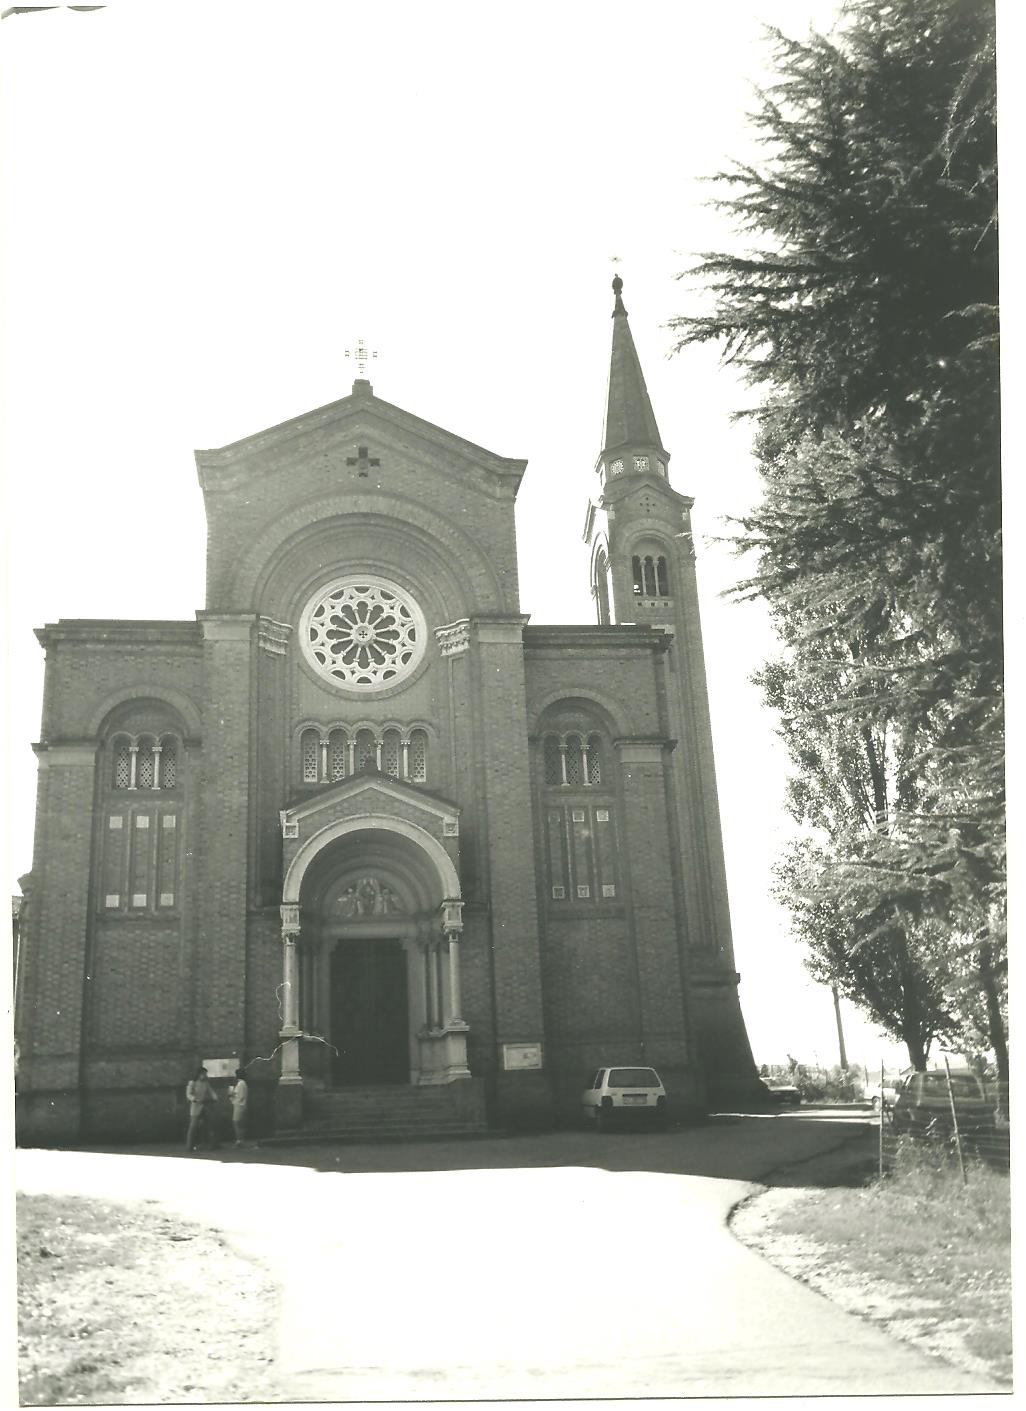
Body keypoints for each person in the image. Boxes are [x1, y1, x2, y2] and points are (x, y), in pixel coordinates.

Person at [185, 1064, 218, 1151]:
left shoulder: (206, 1083)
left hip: (204, 1105)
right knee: (193, 1126)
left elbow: (211, 1091)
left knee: (209, 1125)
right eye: (203, 1073)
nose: (205, 1075)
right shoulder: (192, 1083)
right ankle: (189, 1146)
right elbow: (188, 1094)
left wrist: (215, 1097)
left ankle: (213, 1144)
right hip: (195, 1106)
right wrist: (194, 1099)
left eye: (205, 1074)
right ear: (199, 1074)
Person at [228, 1067, 249, 1146]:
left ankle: (239, 1140)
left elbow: (240, 1096)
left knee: (236, 1122)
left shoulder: (241, 1084)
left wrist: (233, 1099)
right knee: (239, 1123)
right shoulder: (242, 1083)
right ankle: (240, 1139)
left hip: (239, 1105)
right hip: (240, 1105)